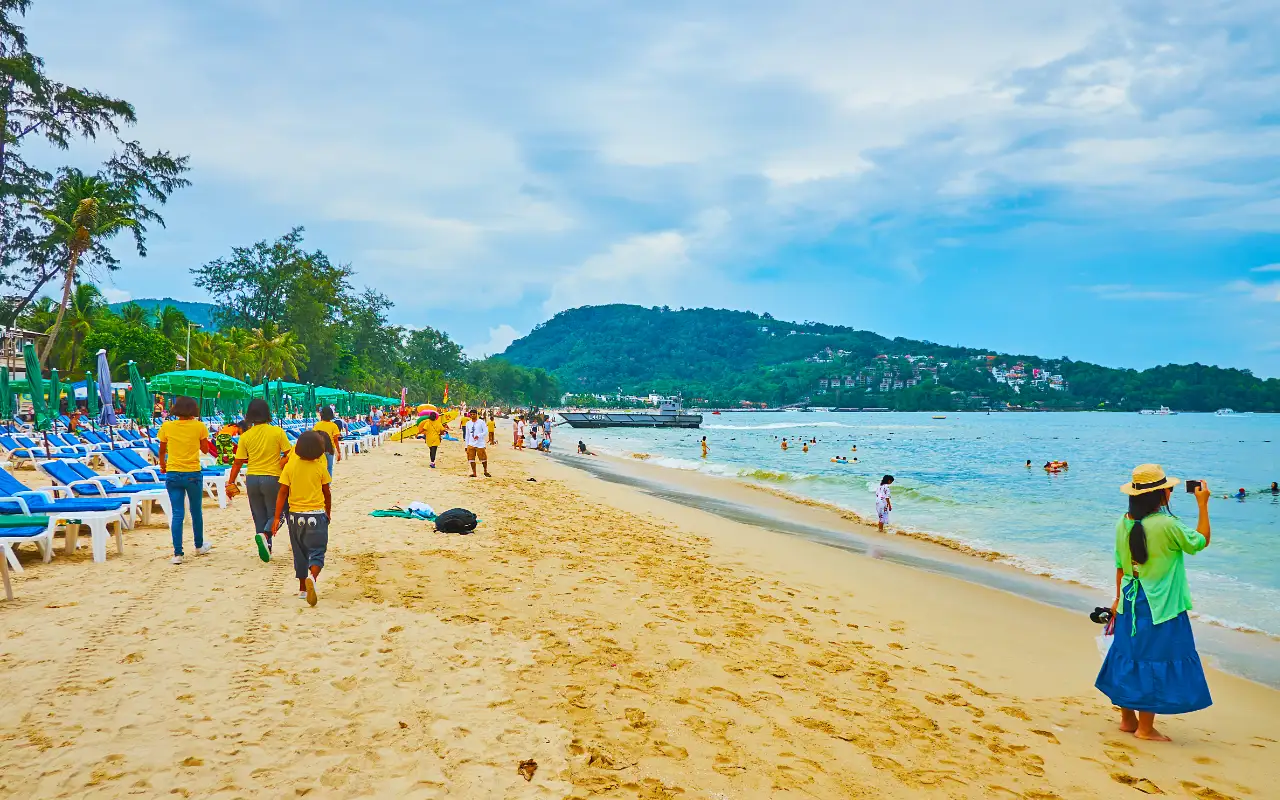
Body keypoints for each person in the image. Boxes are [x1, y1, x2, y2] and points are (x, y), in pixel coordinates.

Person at [1096, 465, 1213, 742]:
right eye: (1168, 489)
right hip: (1160, 604)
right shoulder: (1167, 524)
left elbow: (1120, 566)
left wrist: (1116, 600)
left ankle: (1128, 720)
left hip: (1129, 599)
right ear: (1162, 494)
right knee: (1154, 660)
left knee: (1128, 656)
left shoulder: (1123, 522)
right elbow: (1200, 542)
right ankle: (1145, 729)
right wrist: (1203, 505)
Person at [226, 399, 292, 563]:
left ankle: (266, 546)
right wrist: (282, 462)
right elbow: (290, 453)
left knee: (259, 515)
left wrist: (231, 482)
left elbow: (238, 462)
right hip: (273, 478)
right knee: (279, 513)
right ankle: (265, 535)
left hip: (252, 479)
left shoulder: (245, 436)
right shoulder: (277, 432)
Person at [270, 431, 332, 606]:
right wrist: (328, 511)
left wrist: (277, 518)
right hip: (316, 516)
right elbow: (327, 493)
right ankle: (313, 577)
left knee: (299, 553)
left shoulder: (290, 467)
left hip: (295, 517)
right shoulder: (320, 467)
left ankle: (302, 589)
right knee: (317, 551)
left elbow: (282, 493)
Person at [157, 395, 213, 565]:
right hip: (192, 473)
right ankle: (199, 546)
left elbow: (162, 450)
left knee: (177, 513)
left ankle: (178, 554)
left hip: (173, 473)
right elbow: (205, 450)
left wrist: (163, 465)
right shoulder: (199, 426)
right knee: (196, 511)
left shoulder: (167, 426)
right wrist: (200, 438)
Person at [313, 406, 342, 476]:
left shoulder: (317, 425)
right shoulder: (333, 426)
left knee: (320, 467)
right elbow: (336, 440)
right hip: (330, 448)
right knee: (329, 468)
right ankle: (328, 482)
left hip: (319, 448)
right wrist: (338, 451)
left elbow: (314, 437)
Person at [464, 408, 490, 477]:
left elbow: (485, 432)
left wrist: (479, 435)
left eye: (474, 414)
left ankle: (485, 471)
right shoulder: (468, 423)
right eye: (471, 414)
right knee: (471, 459)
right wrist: (466, 445)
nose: (472, 415)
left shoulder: (481, 422)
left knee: (483, 458)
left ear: (476, 414)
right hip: (470, 443)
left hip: (480, 444)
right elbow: (467, 435)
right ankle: (474, 473)